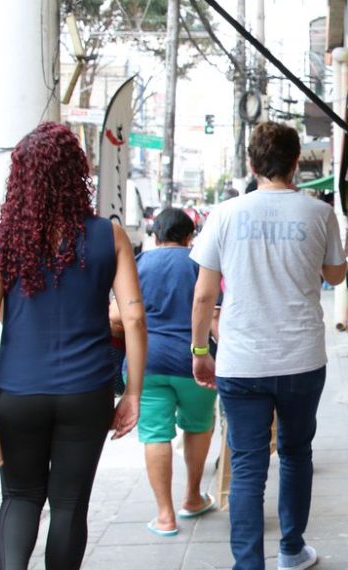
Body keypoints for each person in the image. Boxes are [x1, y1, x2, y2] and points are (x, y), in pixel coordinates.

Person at [0, 122, 146, 570]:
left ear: (20, 175)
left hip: (18, 392)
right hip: (88, 393)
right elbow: (134, 317)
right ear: (76, 174)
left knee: (19, 498)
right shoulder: (108, 235)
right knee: (68, 505)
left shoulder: (0, 237)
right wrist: (133, 391)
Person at [190, 121, 346, 570]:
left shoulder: (224, 214)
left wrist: (201, 352)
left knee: (248, 465)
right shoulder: (318, 213)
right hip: (301, 359)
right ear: (297, 163)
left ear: (252, 164)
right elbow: (335, 275)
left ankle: (248, 564)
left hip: (241, 361)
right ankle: (292, 550)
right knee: (296, 454)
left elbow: (204, 296)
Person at [120, 208, 218, 537]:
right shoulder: (199, 263)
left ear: (155, 234)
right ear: (189, 235)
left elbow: (118, 314)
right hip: (194, 362)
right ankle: (191, 498)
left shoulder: (138, 263)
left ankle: (164, 515)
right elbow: (214, 314)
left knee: (155, 435)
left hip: (146, 362)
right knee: (199, 426)